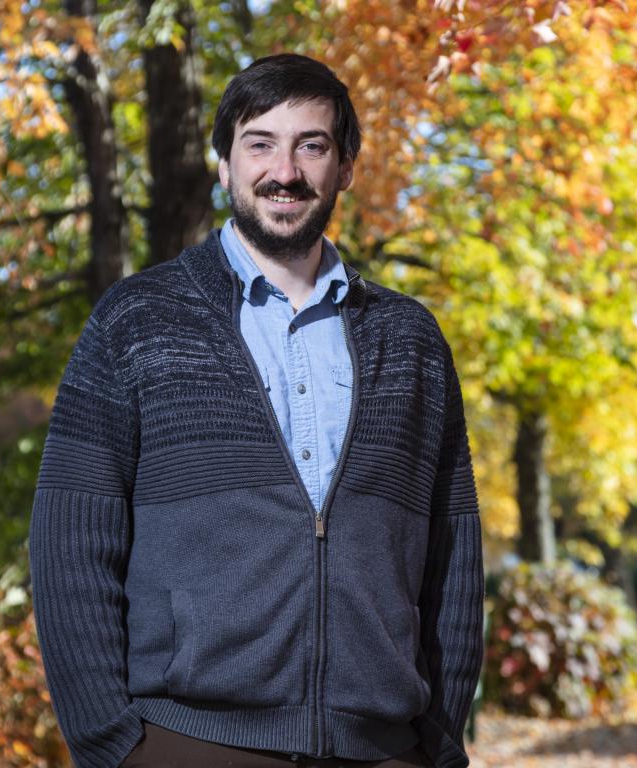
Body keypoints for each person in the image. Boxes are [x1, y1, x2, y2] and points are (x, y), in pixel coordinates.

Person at [29, 53, 484, 768]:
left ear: (346, 167)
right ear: (224, 165)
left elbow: (453, 558)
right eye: (260, 143)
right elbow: (70, 543)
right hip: (189, 745)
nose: (285, 170)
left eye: (312, 145)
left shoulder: (411, 340)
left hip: (382, 749)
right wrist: (113, 749)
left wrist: (440, 744)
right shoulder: (138, 321)